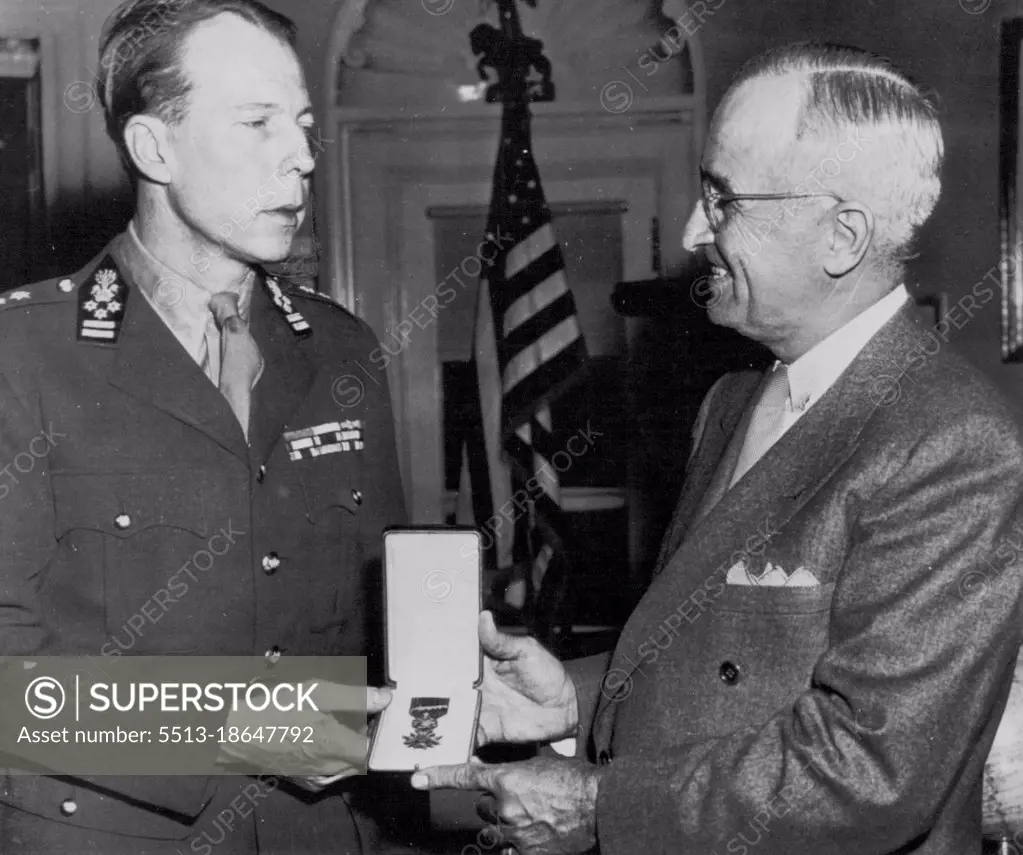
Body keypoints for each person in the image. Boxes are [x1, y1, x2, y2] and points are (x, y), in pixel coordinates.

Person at [409, 43, 1023, 855]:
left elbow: (870, 772)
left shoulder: (951, 441)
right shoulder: (732, 402)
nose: (696, 231)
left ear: (840, 236)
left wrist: (599, 807)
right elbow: (710, 659)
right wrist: (574, 703)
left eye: (723, 199)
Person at [0, 1, 418, 852]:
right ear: (154, 148)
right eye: (257, 123)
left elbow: (385, 627)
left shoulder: (341, 350)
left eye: (302, 125)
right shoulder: (24, 353)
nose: (302, 156)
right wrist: (260, 726)